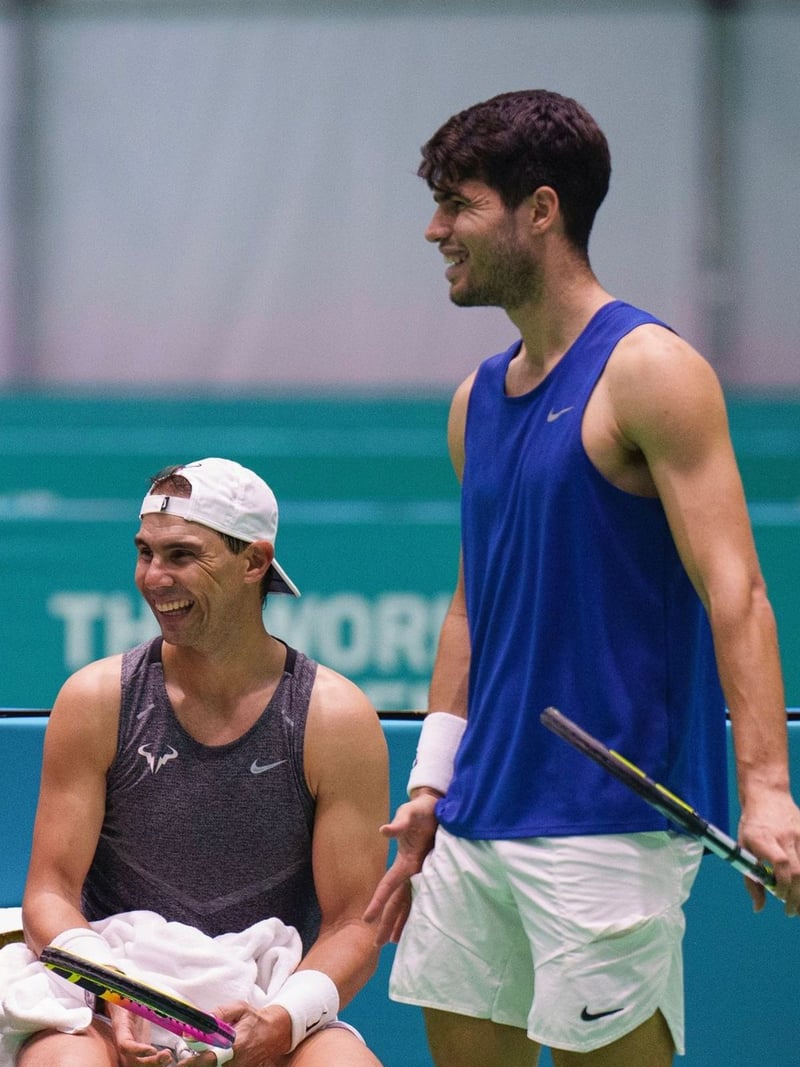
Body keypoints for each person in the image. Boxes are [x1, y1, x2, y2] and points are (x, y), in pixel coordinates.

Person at [364, 89, 800, 1067]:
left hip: (608, 823)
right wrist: (430, 784)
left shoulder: (650, 371)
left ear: (541, 209)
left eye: (458, 204)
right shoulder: (473, 401)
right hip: (474, 814)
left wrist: (767, 789)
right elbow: (471, 610)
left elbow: (736, 590)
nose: (435, 230)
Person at [15, 457, 389, 1067]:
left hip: (265, 1004)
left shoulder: (335, 717)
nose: (154, 577)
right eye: (145, 553)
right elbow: (48, 894)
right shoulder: (97, 699)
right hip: (107, 999)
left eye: (182, 556)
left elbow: (355, 925)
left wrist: (283, 1020)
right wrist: (117, 993)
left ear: (254, 562)